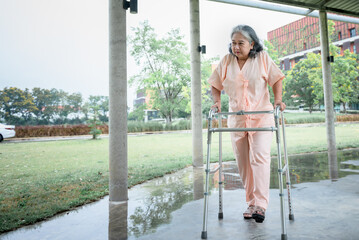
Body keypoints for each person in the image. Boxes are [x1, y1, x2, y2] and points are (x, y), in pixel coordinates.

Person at [207, 25, 286, 223]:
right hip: (237, 119)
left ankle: (260, 204)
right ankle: (251, 202)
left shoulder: (262, 58)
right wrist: (216, 102)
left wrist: (278, 100)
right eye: (233, 43)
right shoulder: (226, 61)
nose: (236, 47)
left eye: (240, 43)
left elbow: (276, 79)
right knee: (243, 164)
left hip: (262, 117)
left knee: (259, 158)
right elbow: (215, 84)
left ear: (251, 44)